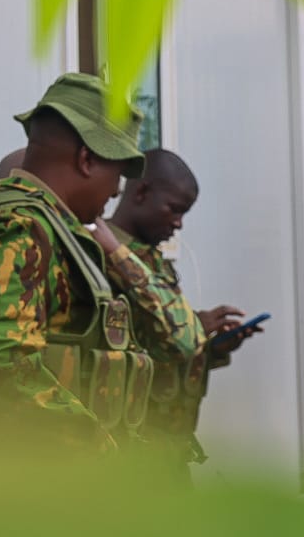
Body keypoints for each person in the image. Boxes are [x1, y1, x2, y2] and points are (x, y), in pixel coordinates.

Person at [0, 73, 164, 460]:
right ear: (87, 160)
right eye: (117, 174)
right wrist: (100, 450)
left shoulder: (47, 228)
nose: (117, 190)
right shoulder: (20, 229)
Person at [104, 148, 254, 474]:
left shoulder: (152, 258)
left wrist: (212, 347)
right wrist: (194, 325)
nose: (178, 223)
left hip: (168, 444)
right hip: (129, 446)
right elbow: (117, 347)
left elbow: (163, 343)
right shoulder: (104, 254)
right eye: (174, 209)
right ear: (142, 192)